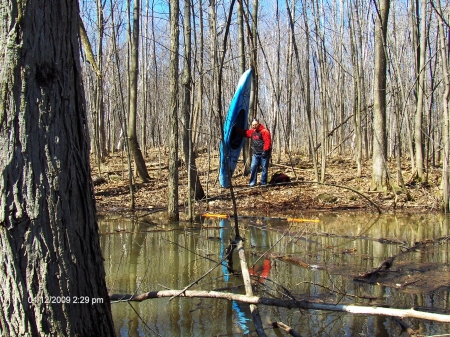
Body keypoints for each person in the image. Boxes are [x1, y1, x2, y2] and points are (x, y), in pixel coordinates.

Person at [237, 118, 272, 186]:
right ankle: (252, 183)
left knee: (264, 168)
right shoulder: (252, 132)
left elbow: (267, 142)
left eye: (255, 124)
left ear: (258, 124)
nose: (254, 126)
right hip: (256, 154)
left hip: (264, 154)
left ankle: (263, 183)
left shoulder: (264, 131)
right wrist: (236, 129)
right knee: (253, 167)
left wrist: (265, 151)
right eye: (253, 125)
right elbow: (245, 133)